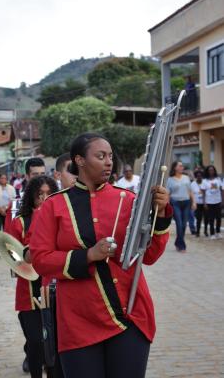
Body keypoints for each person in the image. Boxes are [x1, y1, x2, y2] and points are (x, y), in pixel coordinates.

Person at [30, 132, 172, 378]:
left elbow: (148, 256)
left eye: (110, 156)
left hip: (128, 315)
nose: (109, 161)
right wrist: (88, 255)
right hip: (78, 321)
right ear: (80, 160)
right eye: (100, 156)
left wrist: (161, 215)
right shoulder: (54, 206)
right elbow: (41, 260)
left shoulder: (128, 200)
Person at [9, 176, 58, 378]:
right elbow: (12, 256)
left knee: (54, 343)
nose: (44, 198)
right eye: (40, 195)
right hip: (28, 292)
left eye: (49, 194)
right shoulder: (19, 222)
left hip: (54, 290)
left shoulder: (61, 219)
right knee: (36, 342)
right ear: (32, 197)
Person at [167, 161, 196, 252]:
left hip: (186, 203)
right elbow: (168, 194)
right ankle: (182, 246)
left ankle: (177, 242)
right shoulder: (170, 180)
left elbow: (190, 191)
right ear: (175, 168)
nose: (182, 167)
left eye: (182, 166)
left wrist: (194, 202)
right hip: (175, 203)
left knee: (183, 225)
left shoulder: (186, 178)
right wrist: (166, 205)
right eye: (180, 166)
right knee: (179, 224)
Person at [201, 165, 223, 239]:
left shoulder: (218, 179)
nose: (211, 171)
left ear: (214, 171)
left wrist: (222, 200)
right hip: (209, 202)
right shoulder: (204, 181)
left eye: (212, 170)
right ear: (207, 171)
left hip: (218, 201)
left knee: (219, 218)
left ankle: (218, 232)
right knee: (211, 218)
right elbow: (203, 193)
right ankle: (212, 233)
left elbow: (221, 190)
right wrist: (204, 203)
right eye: (210, 170)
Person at [191, 170, 208, 237]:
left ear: (202, 176)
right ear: (196, 177)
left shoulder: (205, 183)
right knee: (198, 218)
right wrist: (192, 203)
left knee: (206, 218)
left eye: (200, 176)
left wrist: (206, 203)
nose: (199, 177)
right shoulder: (192, 184)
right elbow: (191, 194)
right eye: (198, 176)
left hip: (205, 204)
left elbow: (208, 193)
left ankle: (206, 231)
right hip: (197, 204)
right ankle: (197, 232)